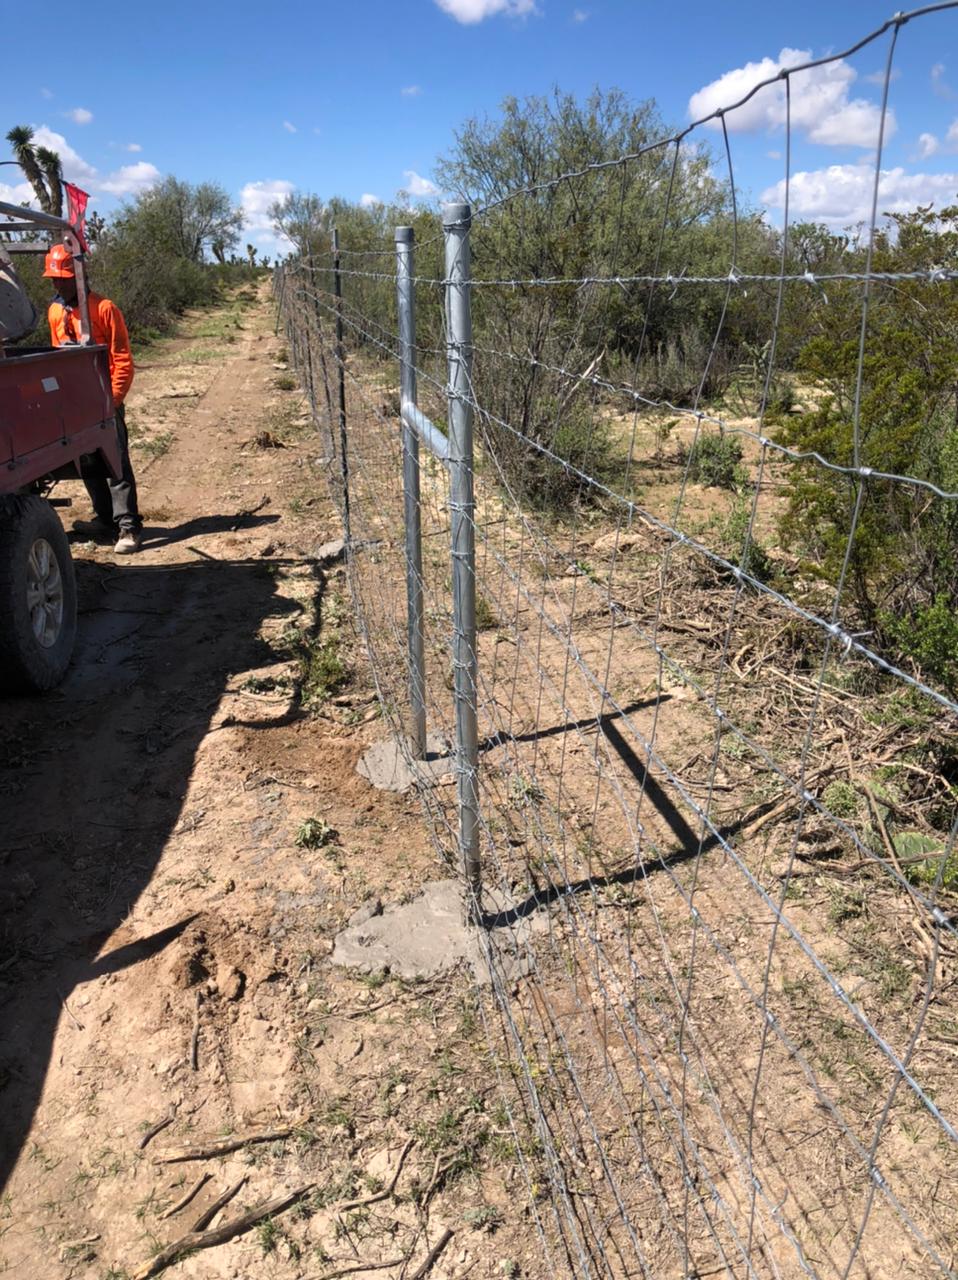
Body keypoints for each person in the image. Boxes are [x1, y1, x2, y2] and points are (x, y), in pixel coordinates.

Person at [45, 243, 143, 554]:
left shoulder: (104, 308)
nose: (57, 284)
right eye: (53, 279)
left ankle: (128, 527)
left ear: (79, 276)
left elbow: (122, 359)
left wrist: (113, 400)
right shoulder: (55, 311)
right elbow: (56, 360)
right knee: (87, 462)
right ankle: (105, 520)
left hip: (104, 401)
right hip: (74, 403)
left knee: (115, 462)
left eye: (62, 278)